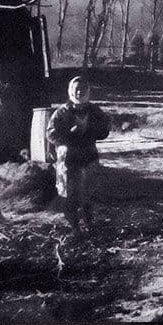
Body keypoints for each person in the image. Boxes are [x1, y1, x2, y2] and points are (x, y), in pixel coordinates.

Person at [46, 76, 110, 237]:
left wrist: (90, 130)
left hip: (89, 157)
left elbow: (104, 131)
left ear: (88, 91)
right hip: (69, 158)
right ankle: (75, 227)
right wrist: (69, 134)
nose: (79, 92)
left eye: (83, 89)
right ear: (70, 91)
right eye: (76, 89)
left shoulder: (95, 111)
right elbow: (50, 134)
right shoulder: (61, 112)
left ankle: (89, 223)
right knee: (70, 193)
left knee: (88, 192)